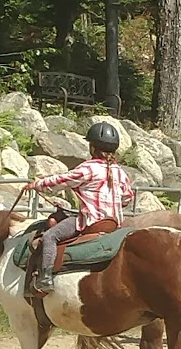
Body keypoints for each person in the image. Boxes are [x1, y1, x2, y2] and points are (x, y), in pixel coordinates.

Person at [23, 122, 134, 293]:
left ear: (92, 147)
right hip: (113, 224)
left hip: (90, 222)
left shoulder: (88, 168)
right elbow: (127, 198)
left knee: (50, 236)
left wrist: (37, 184)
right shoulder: (120, 172)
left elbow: (62, 180)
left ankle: (45, 278)